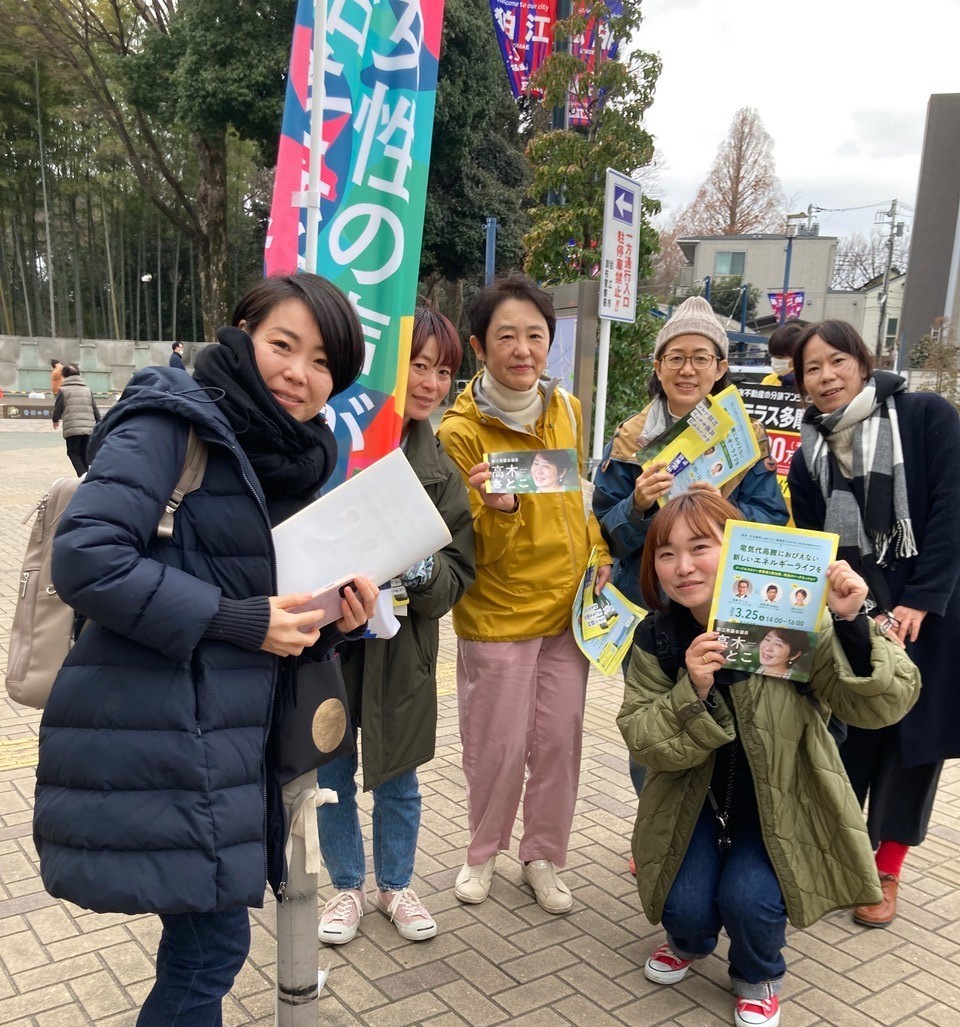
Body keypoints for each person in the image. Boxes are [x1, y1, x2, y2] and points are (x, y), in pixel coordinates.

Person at [33, 273, 379, 1026]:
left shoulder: (299, 455)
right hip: (166, 730)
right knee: (210, 950)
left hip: (230, 741)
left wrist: (339, 618)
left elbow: (272, 600)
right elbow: (87, 558)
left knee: (207, 949)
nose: (299, 372)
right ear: (242, 331)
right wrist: (237, 620)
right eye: (283, 344)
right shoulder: (171, 421)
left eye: (323, 361)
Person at [618, 490, 919, 1027]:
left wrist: (852, 620)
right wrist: (694, 687)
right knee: (682, 903)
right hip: (695, 804)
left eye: (699, 547)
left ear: (736, 547)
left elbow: (885, 704)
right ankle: (687, 942)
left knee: (749, 902)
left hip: (784, 802)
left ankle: (758, 971)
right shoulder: (658, 636)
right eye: (666, 553)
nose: (682, 566)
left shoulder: (800, 619)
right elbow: (642, 739)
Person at [437, 273, 612, 914]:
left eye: (535, 335)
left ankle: (543, 855)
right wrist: (498, 508)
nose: (523, 349)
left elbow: (574, 501)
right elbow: (464, 545)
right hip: (499, 615)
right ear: (480, 347)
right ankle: (482, 855)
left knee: (561, 741)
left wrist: (600, 552)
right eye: (506, 336)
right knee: (498, 747)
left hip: (568, 613)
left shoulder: (562, 409)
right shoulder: (461, 434)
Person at [592, 295, 788, 838]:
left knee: (736, 719)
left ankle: (728, 831)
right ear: (657, 366)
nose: (688, 369)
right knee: (655, 724)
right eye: (675, 356)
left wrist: (724, 511)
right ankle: (661, 833)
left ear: (721, 368)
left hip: (731, 610)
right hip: (652, 609)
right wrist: (635, 505)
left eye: (702, 357)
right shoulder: (632, 438)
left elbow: (774, 518)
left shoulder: (741, 436)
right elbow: (605, 531)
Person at [787, 318, 960, 928]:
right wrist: (860, 610)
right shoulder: (808, 450)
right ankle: (845, 855)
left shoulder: (924, 416)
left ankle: (887, 870)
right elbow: (815, 540)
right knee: (851, 730)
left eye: (837, 361)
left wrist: (918, 602)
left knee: (912, 747)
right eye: (812, 368)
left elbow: (950, 511)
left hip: (929, 614)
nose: (826, 376)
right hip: (855, 610)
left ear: (863, 361)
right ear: (801, 382)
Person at [315, 307, 475, 946]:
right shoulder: (329, 446)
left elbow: (457, 577)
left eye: (443, 371)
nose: (430, 382)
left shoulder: (440, 471)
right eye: (418, 364)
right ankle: (347, 887)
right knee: (330, 771)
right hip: (328, 645)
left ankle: (396, 885)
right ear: (387, 365)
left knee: (398, 773)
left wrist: (421, 564)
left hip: (402, 648)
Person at [51, 363, 101, 475]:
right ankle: (86, 476)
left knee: (73, 452)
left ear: (64, 376)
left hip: (73, 427)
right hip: (89, 428)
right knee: (84, 453)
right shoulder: (87, 389)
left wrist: (55, 420)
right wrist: (99, 423)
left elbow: (58, 407)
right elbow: (95, 408)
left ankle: (83, 475)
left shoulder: (63, 390)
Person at [761, 321, 803, 388]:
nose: (775, 360)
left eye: (779, 357)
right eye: (773, 356)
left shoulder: (809, 383)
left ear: (797, 357)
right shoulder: (768, 380)